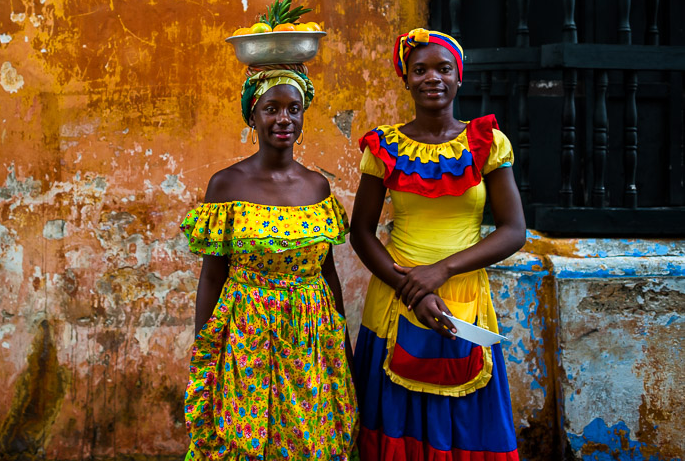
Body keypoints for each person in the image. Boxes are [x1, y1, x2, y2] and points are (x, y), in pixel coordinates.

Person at [349, 28, 526, 460]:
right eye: (420, 70)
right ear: (406, 79)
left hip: (461, 299)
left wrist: (440, 272)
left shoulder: (487, 143)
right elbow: (361, 232)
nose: (433, 78)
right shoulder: (382, 147)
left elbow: (512, 230)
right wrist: (410, 288)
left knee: (465, 420)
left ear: (459, 77)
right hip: (395, 298)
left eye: (444, 69)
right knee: (396, 420)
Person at [179, 64, 358, 461]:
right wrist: (205, 350)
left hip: (311, 335)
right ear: (252, 116)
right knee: (246, 436)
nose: (284, 119)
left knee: (309, 437)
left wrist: (342, 344)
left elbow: (327, 272)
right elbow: (212, 277)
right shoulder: (226, 184)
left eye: (293, 109)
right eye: (271, 109)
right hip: (247, 333)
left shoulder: (317, 186)